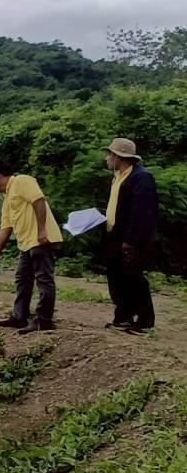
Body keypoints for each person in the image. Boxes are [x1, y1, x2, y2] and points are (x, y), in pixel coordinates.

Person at [0, 160, 64, 334]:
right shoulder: (7, 198)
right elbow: (6, 228)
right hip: (26, 244)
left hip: (41, 240)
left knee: (43, 279)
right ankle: (19, 317)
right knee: (22, 279)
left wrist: (42, 231)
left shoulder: (22, 181)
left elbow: (39, 200)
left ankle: (44, 320)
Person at [103, 138, 159, 334]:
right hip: (114, 234)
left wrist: (130, 240)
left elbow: (141, 212)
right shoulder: (118, 176)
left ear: (119, 157)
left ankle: (145, 320)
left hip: (131, 238)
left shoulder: (141, 177)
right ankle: (123, 316)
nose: (107, 158)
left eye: (110, 154)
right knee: (116, 277)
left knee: (133, 277)